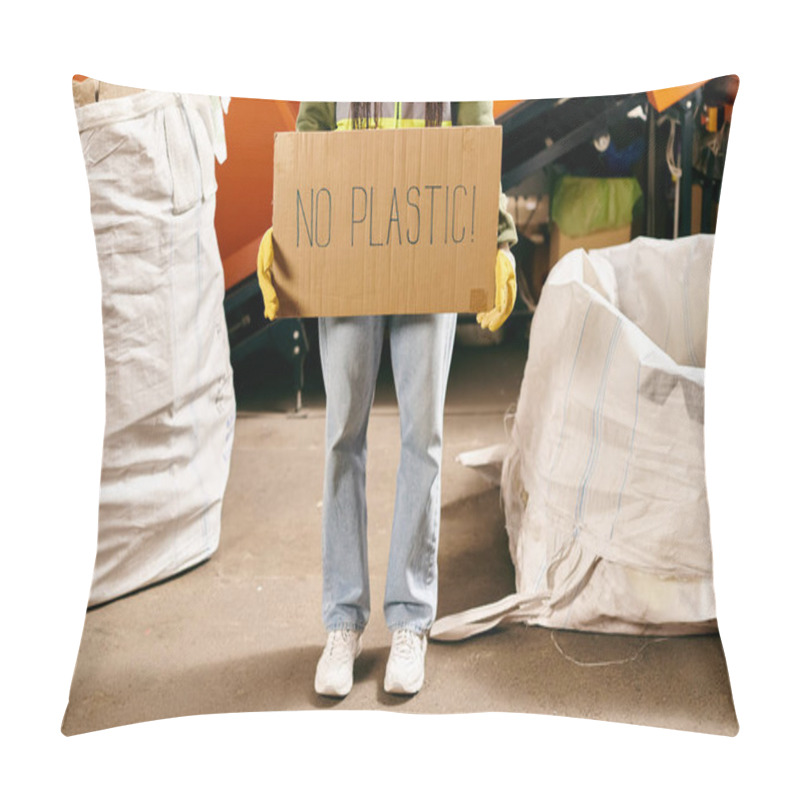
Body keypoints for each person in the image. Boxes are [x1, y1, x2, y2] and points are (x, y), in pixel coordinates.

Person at [257, 101, 517, 697]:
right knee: (342, 437)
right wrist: (290, 228)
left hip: (433, 253)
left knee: (420, 437)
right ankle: (343, 623)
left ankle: (408, 621)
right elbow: (313, 133)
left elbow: (476, 141)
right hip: (347, 251)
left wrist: (499, 241)